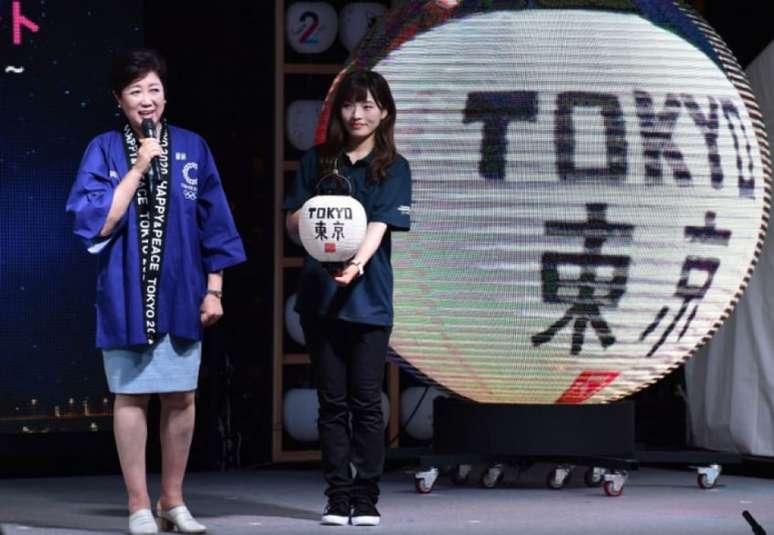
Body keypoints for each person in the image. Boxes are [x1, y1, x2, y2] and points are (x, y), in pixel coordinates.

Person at [65, 49, 246, 535]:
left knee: (181, 397)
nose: (147, 100)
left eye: (154, 89)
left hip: (184, 293)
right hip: (126, 293)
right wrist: (139, 167)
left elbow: (217, 226)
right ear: (118, 100)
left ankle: (173, 501)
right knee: (130, 398)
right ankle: (138, 505)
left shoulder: (193, 146)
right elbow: (95, 220)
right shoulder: (103, 149)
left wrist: (215, 290)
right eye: (135, 92)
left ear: (165, 93)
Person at [284, 70, 411, 526]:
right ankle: (337, 496)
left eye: (368, 105)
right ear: (338, 111)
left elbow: (378, 226)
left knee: (366, 403)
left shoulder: (393, 167)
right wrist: (309, 217)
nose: (357, 114)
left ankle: (367, 497)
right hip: (319, 299)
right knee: (331, 403)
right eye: (349, 105)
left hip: (369, 299)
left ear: (384, 113)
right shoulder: (317, 161)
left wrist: (355, 266)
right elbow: (290, 224)